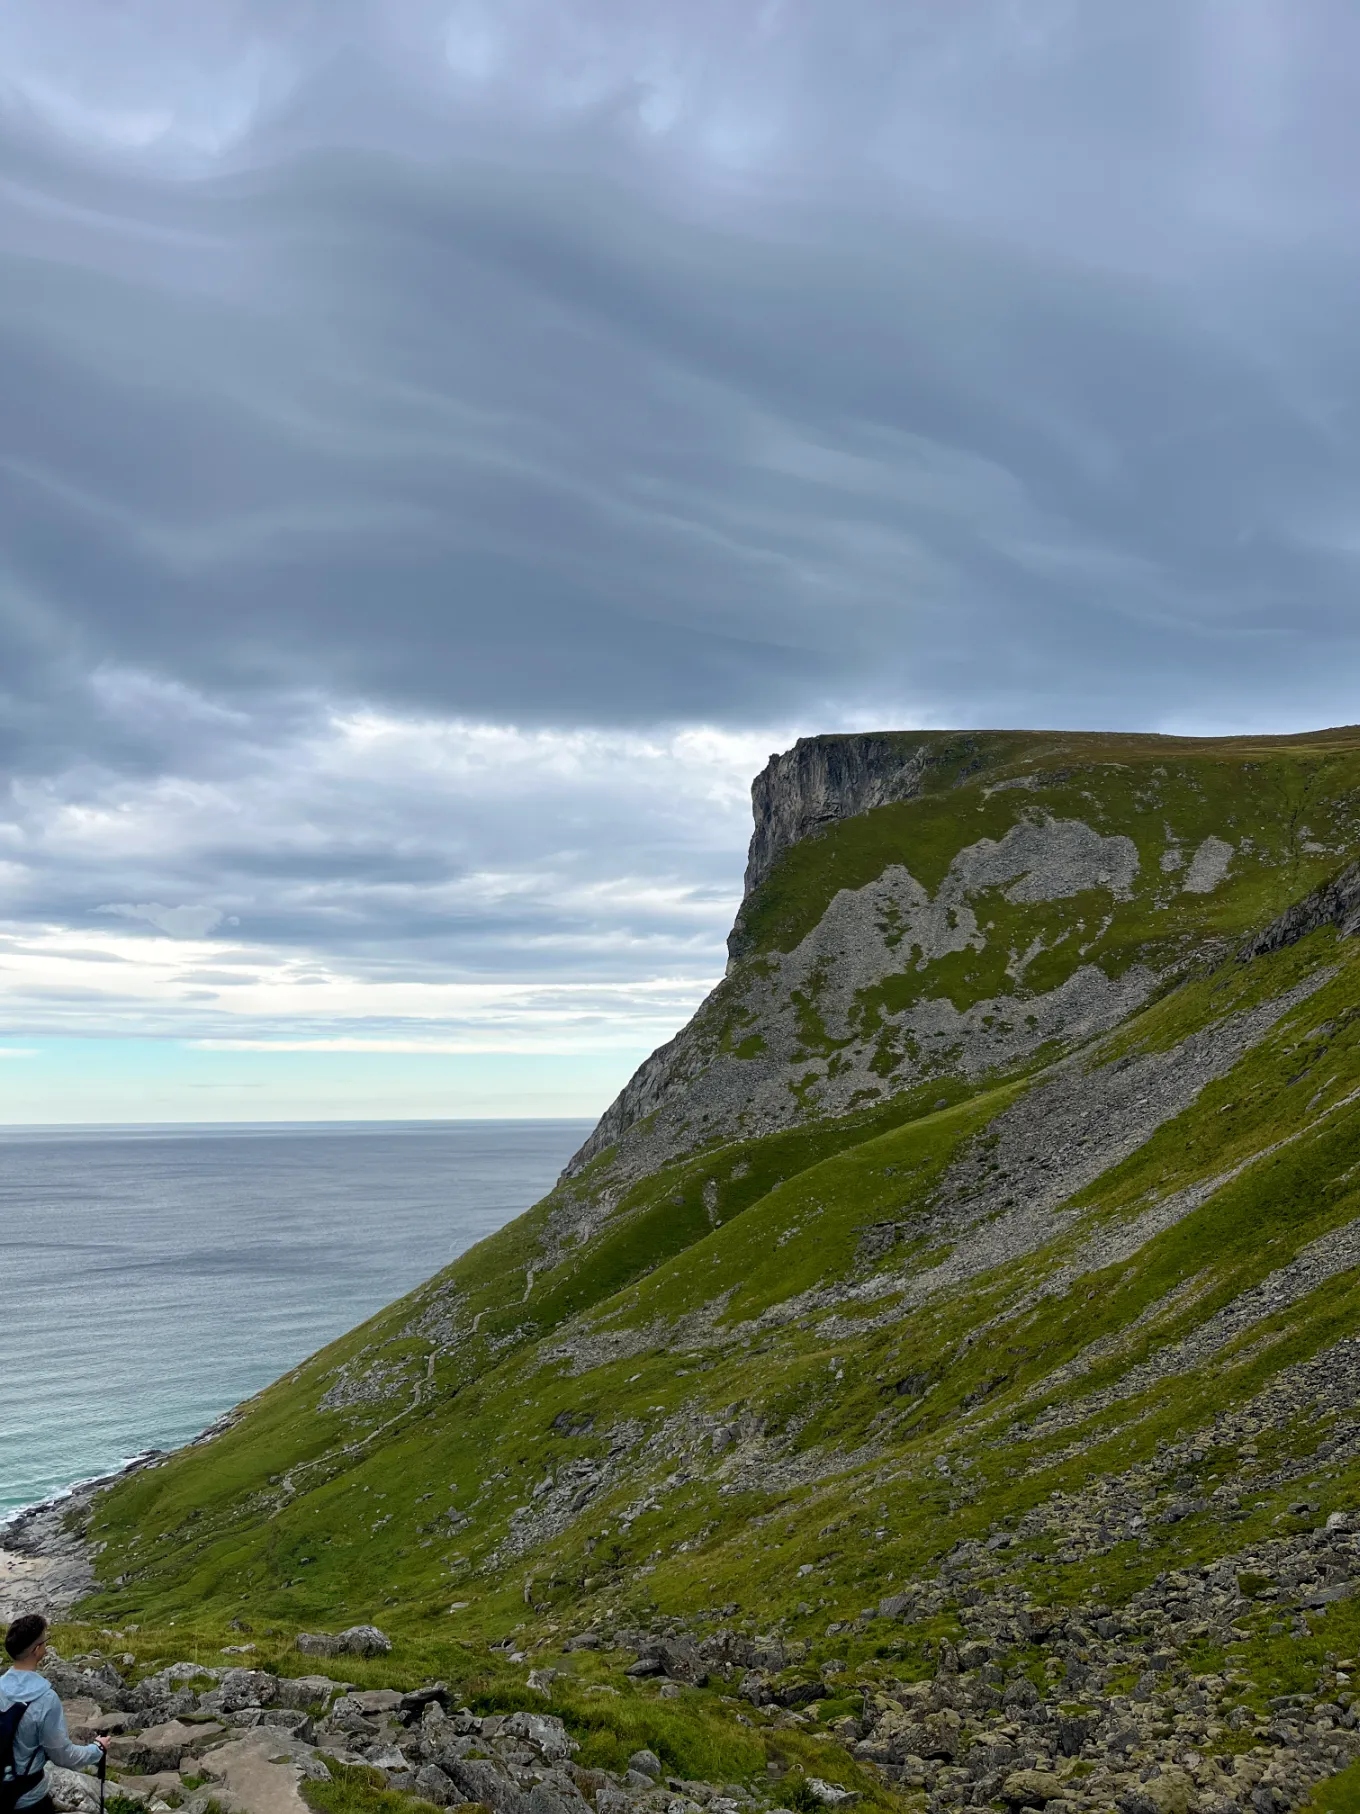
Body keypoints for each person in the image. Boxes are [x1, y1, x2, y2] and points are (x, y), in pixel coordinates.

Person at [0, 1614, 107, 1814]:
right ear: (36, 1650)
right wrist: (97, 1749)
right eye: (45, 1641)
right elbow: (63, 1756)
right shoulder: (46, 1699)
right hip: (29, 1797)